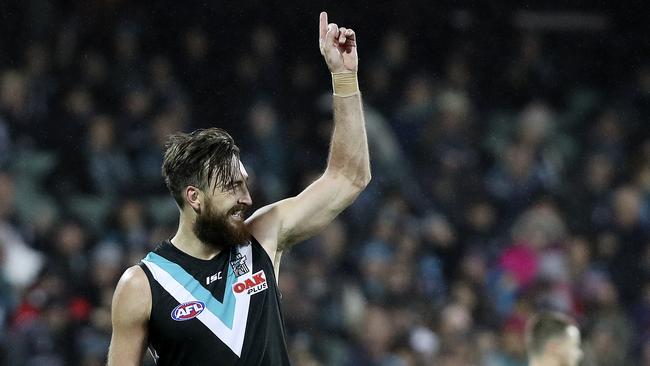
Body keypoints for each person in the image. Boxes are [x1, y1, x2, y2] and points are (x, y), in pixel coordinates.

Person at [106, 11, 370, 365]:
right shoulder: (142, 285)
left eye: (244, 184)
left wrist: (343, 78)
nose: (246, 198)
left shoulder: (261, 236)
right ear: (194, 197)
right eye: (232, 188)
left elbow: (350, 177)